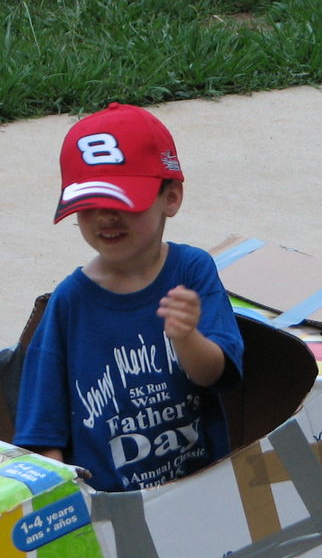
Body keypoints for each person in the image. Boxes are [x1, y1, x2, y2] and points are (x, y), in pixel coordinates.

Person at [14, 103, 244, 492]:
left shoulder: (191, 270)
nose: (106, 217)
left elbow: (216, 374)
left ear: (170, 197)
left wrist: (187, 338)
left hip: (200, 490)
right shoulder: (70, 302)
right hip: (111, 509)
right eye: (89, 205)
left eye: (122, 201)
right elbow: (41, 431)